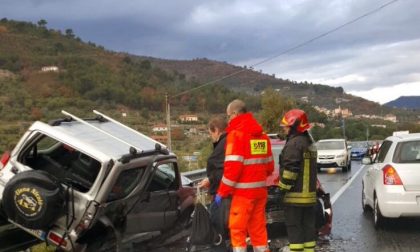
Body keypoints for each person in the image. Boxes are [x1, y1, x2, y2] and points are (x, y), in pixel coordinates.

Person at [215, 99, 274, 252]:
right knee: (258, 231)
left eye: (228, 116)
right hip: (260, 193)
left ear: (235, 114)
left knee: (237, 230)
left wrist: (222, 192)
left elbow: (232, 171)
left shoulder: (236, 135)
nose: (228, 120)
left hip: (243, 195)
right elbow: (269, 167)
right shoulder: (263, 137)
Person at [277, 109, 318, 252]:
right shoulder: (309, 143)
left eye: (286, 126)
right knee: (308, 231)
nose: (284, 129)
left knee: (295, 232)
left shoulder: (294, 144)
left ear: (294, 126)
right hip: (309, 198)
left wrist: (281, 190)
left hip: (295, 198)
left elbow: (289, 172)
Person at [198, 116, 229, 251]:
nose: (211, 137)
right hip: (228, 195)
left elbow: (224, 171)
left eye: (211, 133)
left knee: (217, 231)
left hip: (221, 196)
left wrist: (210, 180)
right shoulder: (229, 142)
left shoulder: (223, 145)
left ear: (216, 130)